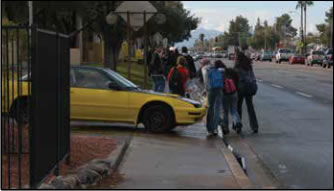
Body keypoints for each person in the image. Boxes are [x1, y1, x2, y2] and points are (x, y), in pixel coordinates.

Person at [234, 51, 259, 134]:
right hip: (249, 88)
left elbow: (235, 79)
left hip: (240, 89)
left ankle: (238, 126)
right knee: (250, 107)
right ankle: (254, 126)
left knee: (238, 107)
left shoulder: (237, 67)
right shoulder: (248, 66)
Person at [206, 60, 225, 137]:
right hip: (219, 89)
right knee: (217, 109)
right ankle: (215, 128)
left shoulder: (208, 70)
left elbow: (206, 81)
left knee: (210, 108)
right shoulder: (221, 71)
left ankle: (210, 129)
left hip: (211, 90)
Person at [221, 67, 242, 135]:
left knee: (225, 112)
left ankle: (225, 128)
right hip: (234, 93)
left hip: (225, 95)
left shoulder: (221, 78)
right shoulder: (232, 77)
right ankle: (237, 122)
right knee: (234, 110)